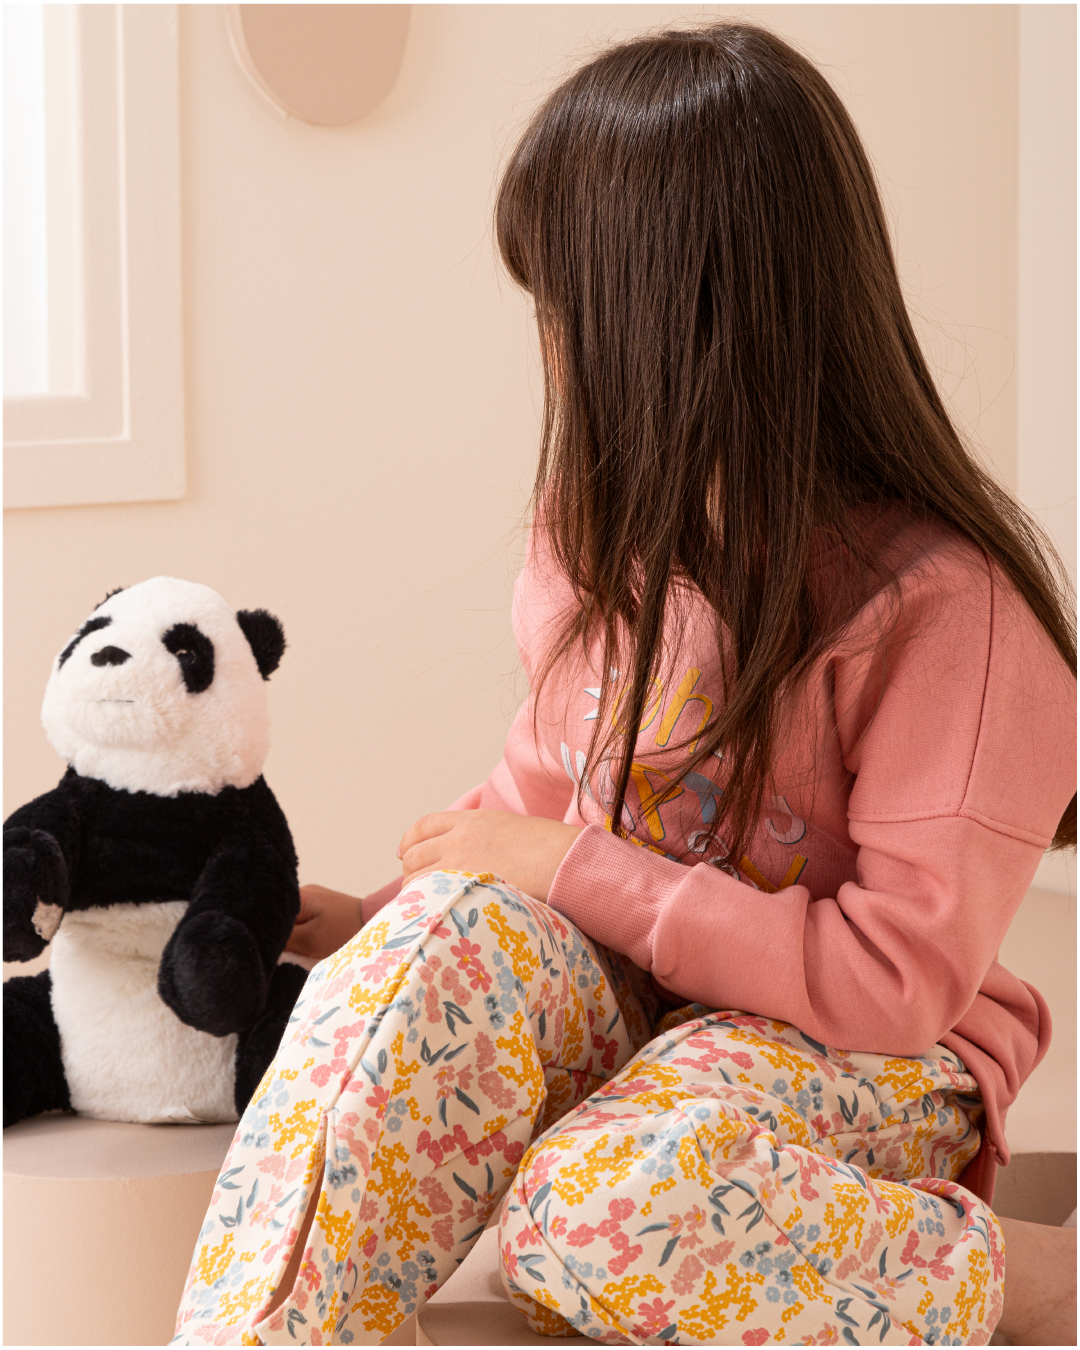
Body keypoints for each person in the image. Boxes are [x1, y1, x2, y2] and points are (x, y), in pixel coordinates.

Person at [173, 22, 1076, 1348]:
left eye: (560, 313)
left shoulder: (949, 618)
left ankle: (1036, 1277)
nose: (549, 355)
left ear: (657, 331)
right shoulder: (602, 540)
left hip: (866, 1053)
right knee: (409, 968)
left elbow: (895, 983)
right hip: (632, 1014)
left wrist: (569, 870)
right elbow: (541, 798)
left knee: (591, 1203)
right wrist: (387, 915)